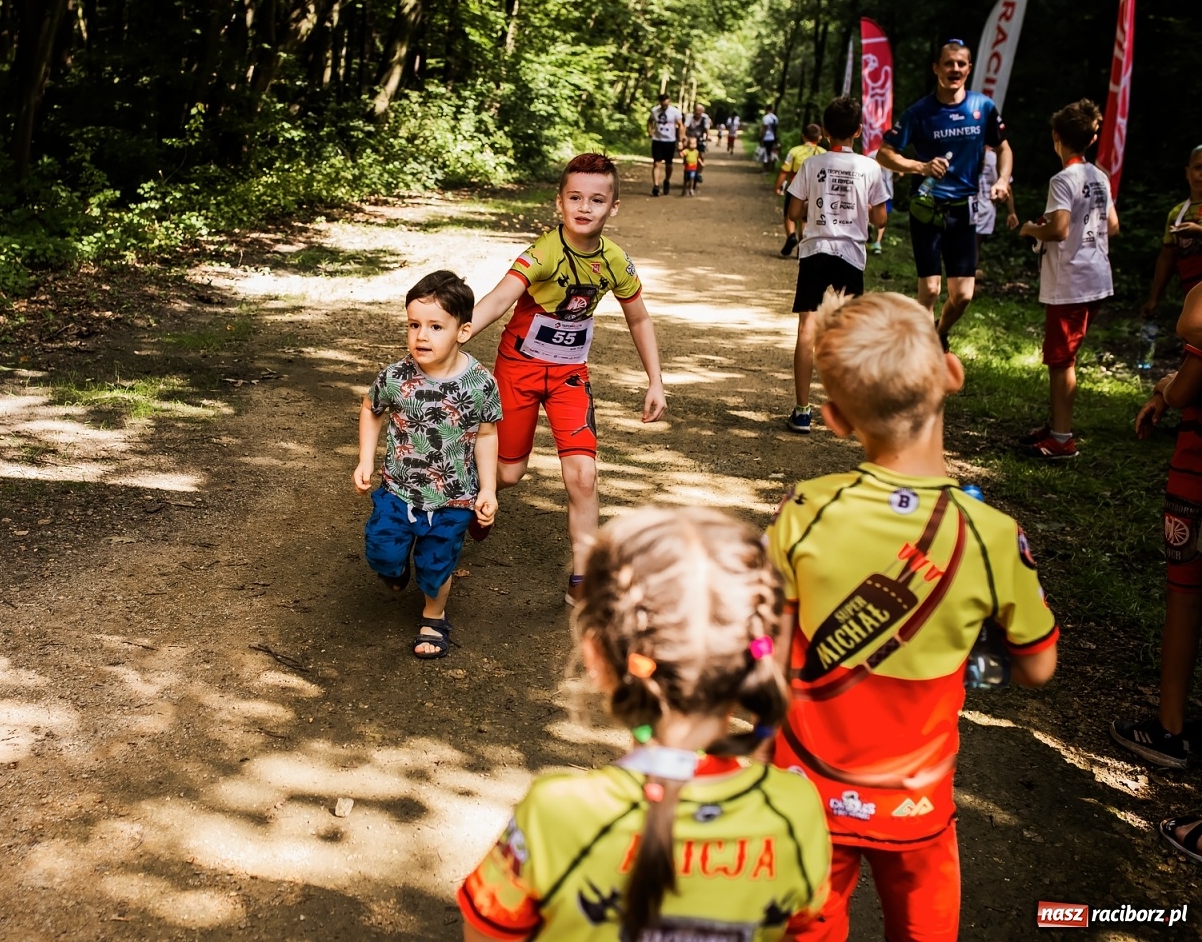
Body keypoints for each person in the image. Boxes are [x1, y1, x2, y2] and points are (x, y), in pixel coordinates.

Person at [769, 290, 1059, 942]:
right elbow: (1038, 667)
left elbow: (772, 648)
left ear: (835, 418)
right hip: (917, 806)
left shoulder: (803, 510)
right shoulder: (992, 536)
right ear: (953, 374)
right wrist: (970, 646)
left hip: (807, 792)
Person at [458, 506, 830, 942]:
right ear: (754, 659)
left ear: (596, 657)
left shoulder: (557, 812)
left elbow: (486, 933)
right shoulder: (794, 811)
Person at [471, 153, 666, 603]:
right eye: (575, 197)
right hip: (518, 370)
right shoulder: (543, 252)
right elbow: (499, 300)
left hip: (569, 376)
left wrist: (655, 380)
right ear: (559, 202)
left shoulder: (615, 260)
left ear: (613, 207)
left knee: (583, 475)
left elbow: (639, 318)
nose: (584, 207)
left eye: (597, 200)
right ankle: (472, 491)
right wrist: (455, 336)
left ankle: (583, 578)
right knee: (509, 473)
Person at [354, 270, 501, 659]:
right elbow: (371, 408)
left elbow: (487, 434)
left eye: (435, 327)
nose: (421, 336)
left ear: (463, 331)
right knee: (381, 552)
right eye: (414, 325)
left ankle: (433, 618)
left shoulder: (480, 383)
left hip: (454, 498)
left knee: (437, 565)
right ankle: (396, 569)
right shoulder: (396, 377)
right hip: (397, 491)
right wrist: (366, 458)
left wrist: (488, 488)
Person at [874, 40, 1013, 350]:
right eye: (949, 63)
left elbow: (1003, 148)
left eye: (961, 64)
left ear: (969, 68)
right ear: (936, 68)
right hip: (927, 207)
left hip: (964, 211)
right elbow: (884, 154)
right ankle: (924, 354)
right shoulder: (919, 112)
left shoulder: (983, 107)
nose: (955, 69)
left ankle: (938, 331)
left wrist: (1003, 180)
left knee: (962, 295)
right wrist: (920, 166)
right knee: (931, 290)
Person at [1115, 281, 1202, 773]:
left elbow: (1188, 382)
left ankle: (1169, 729)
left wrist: (1164, 386)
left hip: (1196, 474)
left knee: (1185, 596)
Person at [1016, 100, 1118, 460]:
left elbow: (1058, 230)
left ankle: (1062, 438)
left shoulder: (1062, 179)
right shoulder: (1099, 176)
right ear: (1092, 138)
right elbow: (1112, 226)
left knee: (1062, 361)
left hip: (1072, 282)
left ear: (1056, 136)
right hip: (1096, 276)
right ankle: (1056, 424)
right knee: (1065, 357)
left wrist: (1029, 229)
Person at [782, 98, 889, 434]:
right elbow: (881, 218)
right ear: (859, 131)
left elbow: (793, 212)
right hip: (851, 255)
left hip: (815, 251)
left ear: (825, 131)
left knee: (807, 329)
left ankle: (802, 412)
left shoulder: (812, 164)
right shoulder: (870, 167)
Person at [1141, 145, 1202, 318]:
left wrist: (1198, 232)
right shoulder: (1177, 214)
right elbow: (1167, 257)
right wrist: (1154, 298)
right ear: (1187, 172)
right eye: (1198, 168)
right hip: (1191, 293)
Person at [776, 123, 826, 257]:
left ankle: (791, 236)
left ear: (803, 137)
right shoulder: (824, 154)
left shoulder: (794, 151)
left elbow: (784, 170)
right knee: (805, 218)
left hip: (795, 187)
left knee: (789, 215)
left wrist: (778, 186)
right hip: (815, 189)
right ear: (820, 138)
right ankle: (802, 247)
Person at [646, 95, 683, 198]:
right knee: (656, 163)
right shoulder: (655, 110)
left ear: (669, 102)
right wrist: (650, 131)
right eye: (662, 104)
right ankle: (656, 186)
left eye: (666, 104)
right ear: (660, 103)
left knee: (669, 164)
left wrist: (680, 140)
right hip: (657, 140)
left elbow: (681, 125)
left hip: (670, 140)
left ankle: (667, 180)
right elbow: (650, 121)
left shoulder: (675, 112)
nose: (664, 106)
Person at [758, 106, 780, 171]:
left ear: (766, 109)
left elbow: (764, 128)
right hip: (773, 138)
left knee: (766, 154)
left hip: (767, 138)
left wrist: (761, 138)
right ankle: (771, 167)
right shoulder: (775, 118)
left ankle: (766, 168)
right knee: (772, 152)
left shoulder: (766, 118)